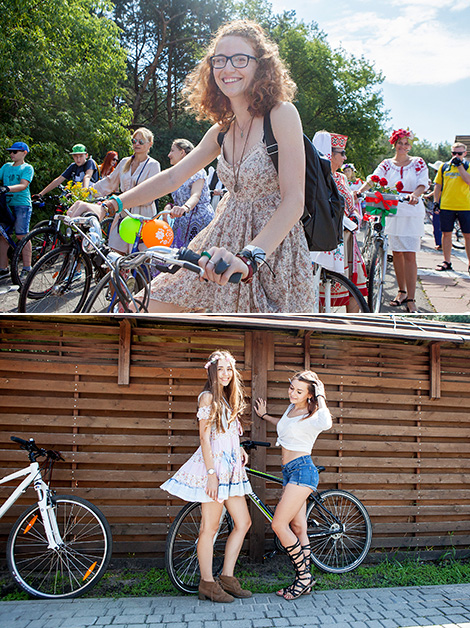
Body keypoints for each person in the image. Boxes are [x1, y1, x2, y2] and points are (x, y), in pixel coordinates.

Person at [67, 20, 314, 313]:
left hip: (271, 251)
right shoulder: (221, 131)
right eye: (219, 60)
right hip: (220, 239)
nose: (227, 68)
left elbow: (294, 202)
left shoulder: (281, 115)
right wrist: (108, 206)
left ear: (260, 66)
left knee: (252, 349)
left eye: (240, 59)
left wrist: (249, 257)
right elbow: (172, 177)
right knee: (137, 310)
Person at [161, 350, 252, 603]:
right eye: (220, 369)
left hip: (231, 469)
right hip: (215, 469)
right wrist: (211, 474)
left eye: (229, 369)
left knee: (243, 522)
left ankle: (227, 576)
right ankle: (207, 583)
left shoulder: (226, 398)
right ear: (211, 371)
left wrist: (240, 448)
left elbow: (225, 433)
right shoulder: (208, 397)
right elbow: (204, 437)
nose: (225, 374)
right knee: (209, 528)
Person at [254, 371, 332, 601]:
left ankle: (303, 578)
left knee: (278, 524)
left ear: (310, 394)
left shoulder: (315, 414)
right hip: (289, 472)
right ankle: (304, 580)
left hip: (303, 471)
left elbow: (327, 422)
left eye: (299, 391)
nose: (293, 393)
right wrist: (265, 416)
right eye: (291, 388)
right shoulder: (291, 410)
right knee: (298, 528)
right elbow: (286, 427)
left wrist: (321, 394)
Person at [359, 128, 428, 313]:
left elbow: (423, 182)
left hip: (411, 210)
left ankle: (411, 298)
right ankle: (402, 291)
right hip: (392, 209)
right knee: (396, 252)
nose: (403, 146)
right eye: (400, 143)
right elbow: (373, 178)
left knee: (409, 254)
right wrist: (360, 190)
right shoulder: (387, 164)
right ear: (394, 144)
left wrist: (415, 195)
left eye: (406, 143)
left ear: (410, 145)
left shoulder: (418, 163)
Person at [311, 131, 368, 312]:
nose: (345, 157)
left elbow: (351, 206)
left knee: (356, 288)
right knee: (321, 288)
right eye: (341, 153)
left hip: (348, 239)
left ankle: (352, 327)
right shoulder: (319, 179)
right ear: (330, 153)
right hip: (329, 238)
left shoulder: (342, 178)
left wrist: (355, 217)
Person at [91, 128, 160, 254]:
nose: (136, 144)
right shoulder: (124, 162)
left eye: (141, 141)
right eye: (134, 141)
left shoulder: (153, 165)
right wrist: (86, 192)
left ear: (150, 144)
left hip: (143, 216)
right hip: (123, 214)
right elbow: (109, 182)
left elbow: (152, 193)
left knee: (139, 258)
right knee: (114, 254)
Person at [164, 139, 214, 248]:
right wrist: (170, 206)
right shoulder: (176, 173)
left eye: (172, 151)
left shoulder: (197, 171)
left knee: (193, 256)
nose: (169, 155)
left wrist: (185, 208)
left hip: (199, 221)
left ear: (182, 152)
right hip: (182, 221)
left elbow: (195, 195)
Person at [433, 143, 470, 274]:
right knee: (446, 234)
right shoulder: (444, 167)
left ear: (464, 154)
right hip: (447, 205)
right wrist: (436, 201)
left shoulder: (468, 166)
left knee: (468, 235)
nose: (456, 156)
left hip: (465, 206)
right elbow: (437, 185)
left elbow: (468, 181)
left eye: (459, 153)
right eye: (454, 153)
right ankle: (446, 261)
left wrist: (459, 166)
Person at [0, 142, 34, 281]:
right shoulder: (6, 167)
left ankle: (27, 268)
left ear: (24, 153)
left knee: (22, 236)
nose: (12, 154)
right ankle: (3, 268)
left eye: (15, 152)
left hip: (21, 204)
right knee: (3, 236)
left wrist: (7, 188)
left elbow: (23, 185)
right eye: (11, 152)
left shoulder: (27, 167)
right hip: (6, 204)